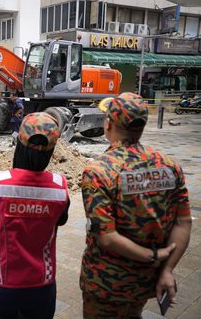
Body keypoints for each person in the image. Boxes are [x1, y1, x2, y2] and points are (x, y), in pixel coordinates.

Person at [80, 92, 191, 319]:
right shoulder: (170, 166)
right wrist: (167, 268)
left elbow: (107, 236)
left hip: (106, 284)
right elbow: (184, 222)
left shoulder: (99, 171)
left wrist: (154, 255)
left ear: (108, 123)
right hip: (144, 283)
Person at [0, 112, 70, 319]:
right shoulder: (60, 187)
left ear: (19, 143)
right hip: (41, 286)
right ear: (51, 151)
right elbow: (61, 219)